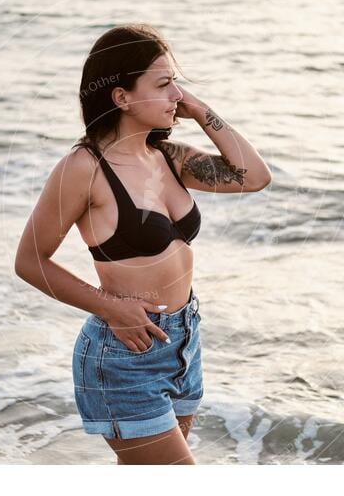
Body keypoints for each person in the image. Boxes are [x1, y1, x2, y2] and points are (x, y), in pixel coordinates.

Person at [14, 23, 271, 464]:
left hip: (183, 342)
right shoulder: (84, 168)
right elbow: (30, 261)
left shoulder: (170, 158)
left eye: (177, 85)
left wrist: (200, 108)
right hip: (125, 354)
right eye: (165, 84)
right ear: (122, 96)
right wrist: (110, 307)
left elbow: (254, 176)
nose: (177, 96)